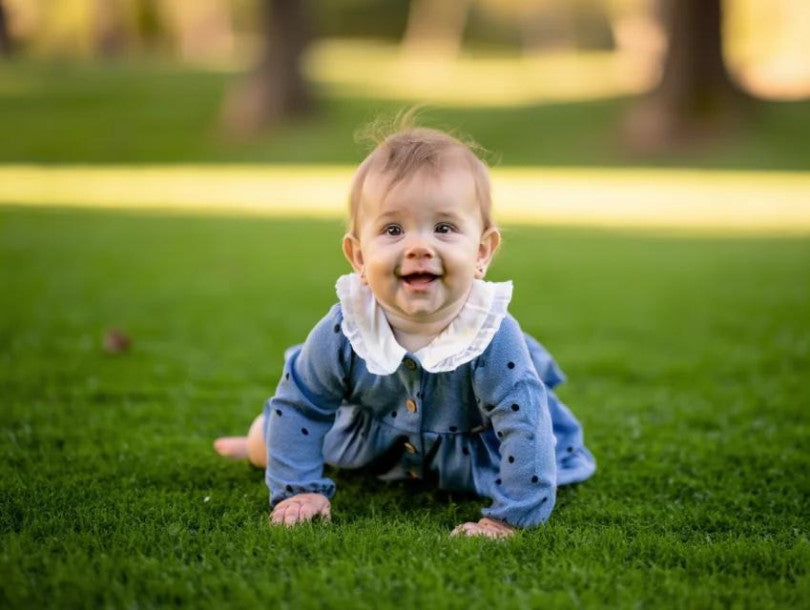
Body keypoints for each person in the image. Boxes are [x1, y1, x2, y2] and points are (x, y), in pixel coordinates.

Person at [215, 124, 595, 538]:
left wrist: (510, 518)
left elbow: (524, 425)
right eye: (393, 230)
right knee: (269, 439)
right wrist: (298, 490)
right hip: (371, 441)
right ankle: (254, 443)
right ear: (359, 257)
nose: (418, 247)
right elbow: (302, 403)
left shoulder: (492, 335)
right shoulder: (346, 328)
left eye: (444, 228)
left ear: (482, 252)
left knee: (534, 452)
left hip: (473, 454)